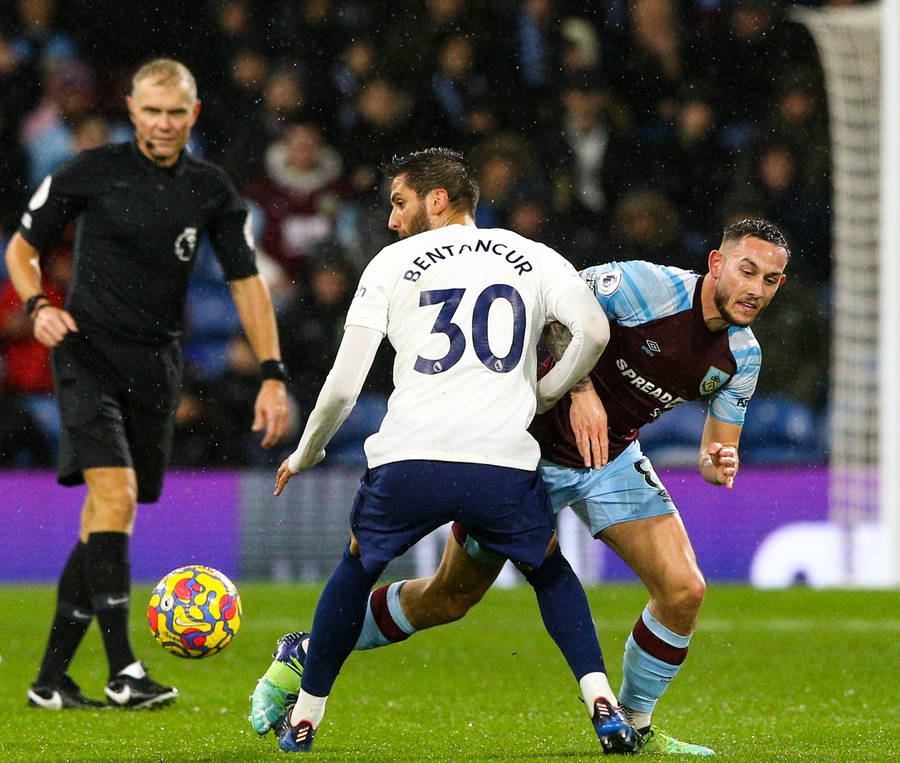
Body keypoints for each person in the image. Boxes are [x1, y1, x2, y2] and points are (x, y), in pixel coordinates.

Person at [255, 217, 790, 756]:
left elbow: (715, 453)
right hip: (522, 454)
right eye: (747, 271)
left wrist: (718, 461)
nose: (756, 289)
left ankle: (634, 724)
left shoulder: (743, 356)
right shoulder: (644, 286)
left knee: (684, 590)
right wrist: (580, 388)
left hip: (609, 459)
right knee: (447, 600)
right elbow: (550, 309)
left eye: (769, 280)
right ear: (716, 263)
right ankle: (308, 651)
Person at [252, 147, 638, 754]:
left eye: (399, 203)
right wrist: (547, 391)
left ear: (437, 201)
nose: (391, 220)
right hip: (500, 462)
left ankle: (306, 717)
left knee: (357, 568)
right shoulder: (534, 256)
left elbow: (345, 386)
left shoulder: (389, 263)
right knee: (548, 571)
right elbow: (594, 330)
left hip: (411, 458)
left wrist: (307, 452)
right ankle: (603, 705)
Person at [4, 58, 290, 711]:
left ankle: (50, 680)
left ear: (194, 114)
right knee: (117, 495)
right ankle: (123, 670)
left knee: (107, 514)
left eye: (175, 112)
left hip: (156, 364)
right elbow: (21, 248)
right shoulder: (89, 170)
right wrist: (38, 306)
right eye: (151, 111)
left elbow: (247, 282)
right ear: (131, 110)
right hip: (85, 353)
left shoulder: (210, 189)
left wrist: (272, 373)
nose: (163, 123)